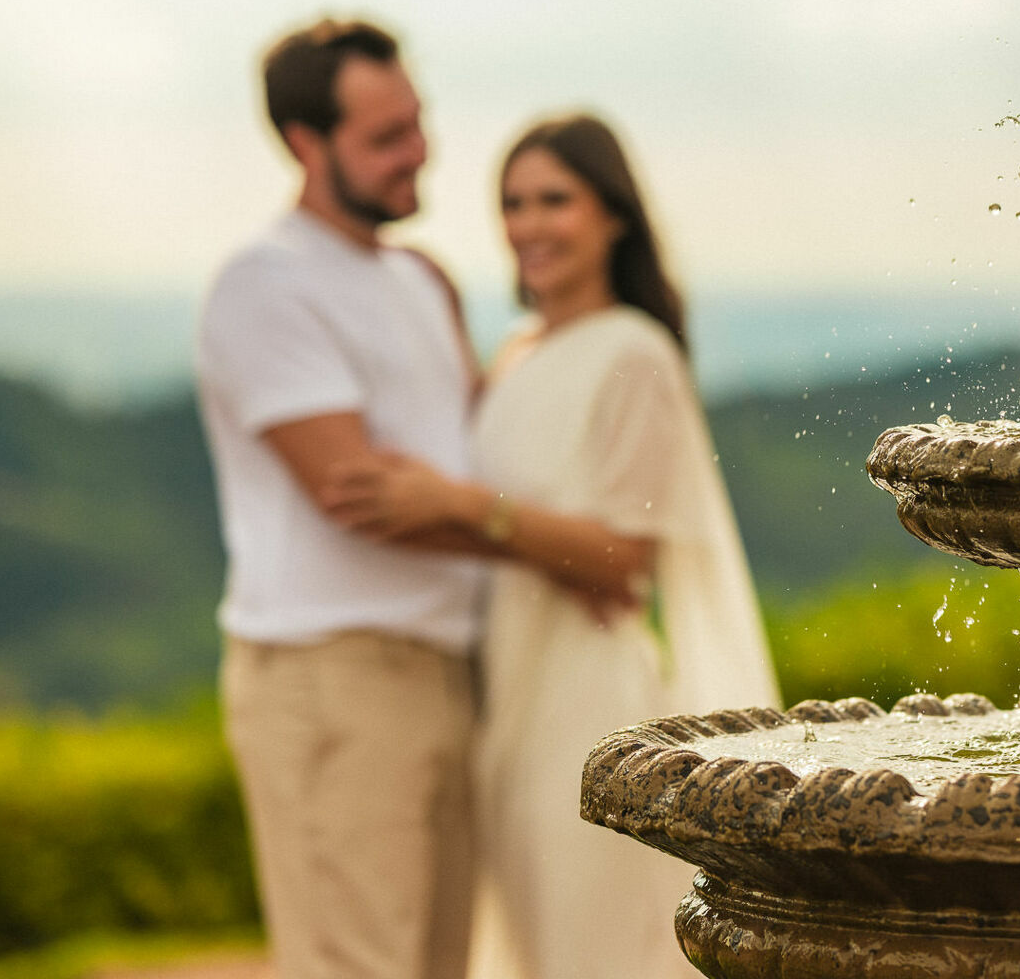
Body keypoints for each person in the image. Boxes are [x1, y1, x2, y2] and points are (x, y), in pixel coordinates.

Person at [196, 22, 635, 979]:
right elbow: (360, 496)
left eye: (417, 122)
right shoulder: (264, 283)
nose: (420, 152)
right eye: (386, 137)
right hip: (334, 675)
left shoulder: (420, 278)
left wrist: (521, 532)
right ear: (306, 143)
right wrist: (559, 551)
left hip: (450, 669)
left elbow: (451, 474)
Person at [322, 112, 779, 979]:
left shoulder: (635, 353)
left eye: (554, 200)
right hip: (506, 690)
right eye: (513, 203)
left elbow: (628, 559)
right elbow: (539, 535)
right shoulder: (517, 352)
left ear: (613, 216)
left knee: (591, 945)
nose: (529, 224)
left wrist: (459, 505)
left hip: (585, 697)